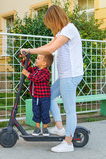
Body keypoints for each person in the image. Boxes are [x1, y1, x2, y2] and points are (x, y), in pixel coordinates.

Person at [21, 5, 83, 152]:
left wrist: (29, 50)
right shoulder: (62, 32)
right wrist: (31, 51)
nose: (50, 27)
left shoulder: (69, 29)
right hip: (65, 76)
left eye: (50, 23)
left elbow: (50, 50)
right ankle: (60, 128)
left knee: (70, 110)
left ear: (55, 19)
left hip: (71, 75)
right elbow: (48, 45)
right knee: (49, 97)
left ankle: (68, 143)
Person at [21, 54, 53, 136]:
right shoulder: (36, 69)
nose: (36, 60)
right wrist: (25, 59)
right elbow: (28, 68)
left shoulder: (46, 72)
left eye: (38, 58)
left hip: (44, 97)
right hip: (35, 96)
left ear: (44, 63)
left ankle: (45, 128)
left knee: (45, 112)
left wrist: (27, 74)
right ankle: (38, 128)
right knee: (36, 112)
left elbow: (37, 79)